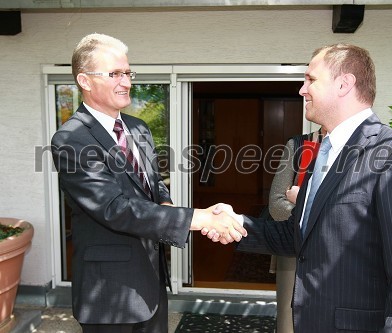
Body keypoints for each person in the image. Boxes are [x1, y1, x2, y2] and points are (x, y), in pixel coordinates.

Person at [210, 44, 392, 332]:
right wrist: (236, 223)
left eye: (311, 79)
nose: (302, 89)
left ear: (344, 84)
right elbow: (298, 236)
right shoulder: (322, 152)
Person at [51, 33, 246, 333]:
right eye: (115, 74)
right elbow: (116, 209)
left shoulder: (138, 129)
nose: (127, 82)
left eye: (128, 73)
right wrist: (199, 217)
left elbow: (154, 185)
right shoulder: (71, 139)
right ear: (85, 81)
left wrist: (166, 204)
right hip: (109, 295)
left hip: (152, 284)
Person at [268, 127, 325, 333]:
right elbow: (276, 204)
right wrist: (315, 218)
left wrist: (300, 198)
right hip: (293, 249)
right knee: (288, 320)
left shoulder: (355, 149)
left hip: (334, 253)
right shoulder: (298, 145)